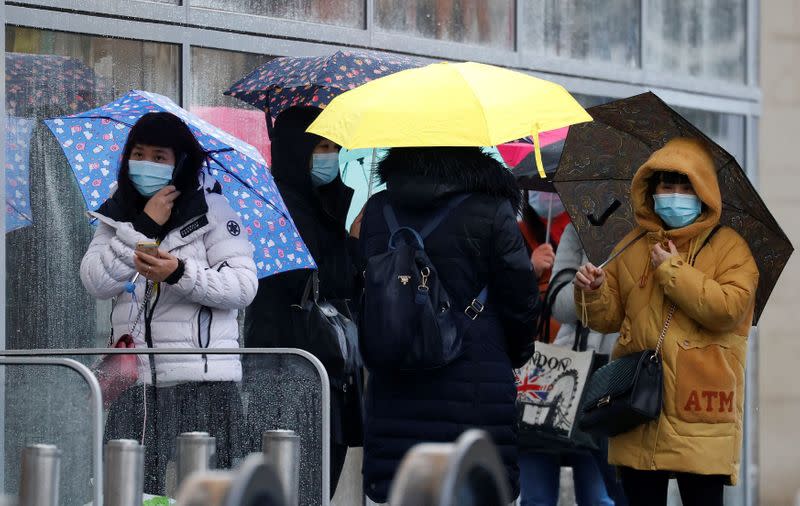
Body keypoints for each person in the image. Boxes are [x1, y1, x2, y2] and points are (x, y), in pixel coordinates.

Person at [574, 138, 759, 506]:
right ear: (651, 191)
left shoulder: (730, 247)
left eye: (685, 185)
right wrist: (593, 291)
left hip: (701, 407)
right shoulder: (632, 244)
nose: (674, 195)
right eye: (666, 185)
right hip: (637, 406)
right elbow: (608, 319)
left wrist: (672, 271)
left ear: (703, 191)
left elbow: (730, 309)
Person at [80, 112, 258, 493]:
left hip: (204, 383)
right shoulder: (116, 213)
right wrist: (142, 228)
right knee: (128, 493)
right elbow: (95, 281)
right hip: (136, 384)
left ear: (179, 162)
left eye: (159, 157)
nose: (146, 164)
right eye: (138, 154)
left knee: (211, 494)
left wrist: (178, 272)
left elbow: (242, 287)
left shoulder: (213, 210)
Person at [358, 146, 540, 503]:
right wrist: (514, 353)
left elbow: (368, 292)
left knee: (403, 489)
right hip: (477, 376)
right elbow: (521, 297)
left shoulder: (379, 209)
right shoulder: (493, 210)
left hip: (396, 380)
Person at [244, 106, 361, 495]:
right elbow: (299, 277)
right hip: (284, 366)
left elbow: (346, 284)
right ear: (297, 150)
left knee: (318, 480)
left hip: (325, 366)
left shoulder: (333, 201)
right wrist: (346, 244)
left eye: (333, 147)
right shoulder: (276, 205)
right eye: (319, 147)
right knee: (289, 482)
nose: (328, 157)